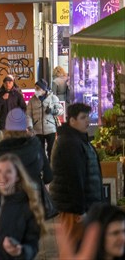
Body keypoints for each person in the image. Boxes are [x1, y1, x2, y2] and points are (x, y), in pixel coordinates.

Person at [51, 103, 103, 242]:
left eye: (88, 117)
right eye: (83, 117)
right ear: (72, 120)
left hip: (81, 207)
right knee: (75, 246)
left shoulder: (77, 139)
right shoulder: (70, 143)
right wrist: (79, 210)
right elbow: (73, 178)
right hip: (74, 209)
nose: (87, 121)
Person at [26, 79, 63, 159]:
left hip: (51, 129)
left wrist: (53, 111)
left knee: (52, 151)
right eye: (35, 88)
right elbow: (28, 114)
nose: (36, 90)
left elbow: (61, 110)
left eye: (38, 88)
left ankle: (51, 168)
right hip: (37, 130)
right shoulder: (32, 100)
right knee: (39, 152)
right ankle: (42, 168)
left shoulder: (53, 98)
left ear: (44, 89)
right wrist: (30, 126)